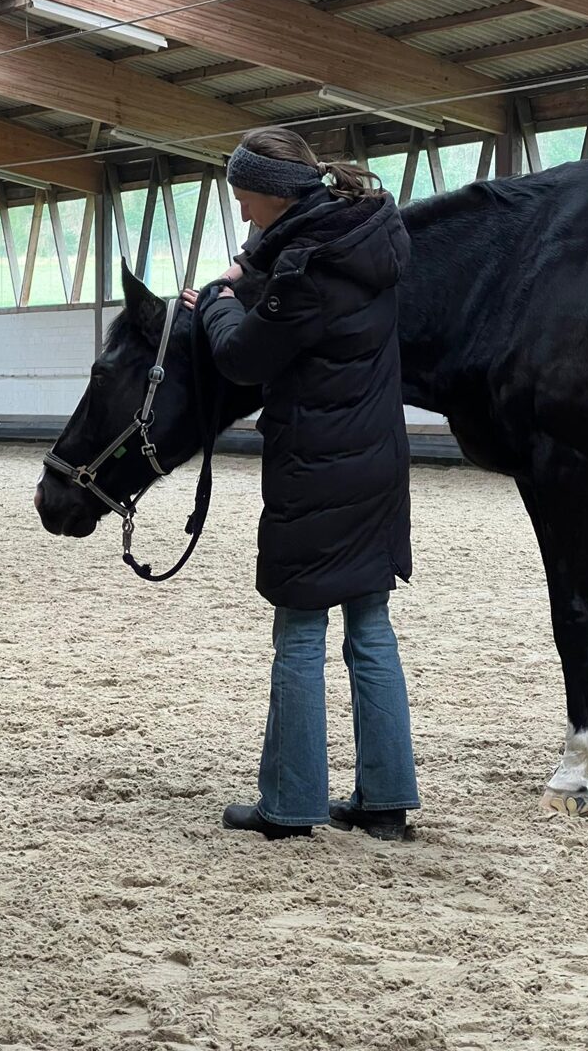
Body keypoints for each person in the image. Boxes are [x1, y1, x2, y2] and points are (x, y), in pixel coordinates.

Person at [181, 126, 419, 842]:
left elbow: (242, 357)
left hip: (317, 467)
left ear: (272, 193)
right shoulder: (367, 237)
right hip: (378, 459)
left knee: (300, 632)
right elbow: (285, 258)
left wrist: (215, 301)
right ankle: (385, 800)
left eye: (244, 196)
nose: (242, 210)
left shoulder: (306, 271)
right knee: (371, 629)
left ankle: (289, 803)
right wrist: (250, 267)